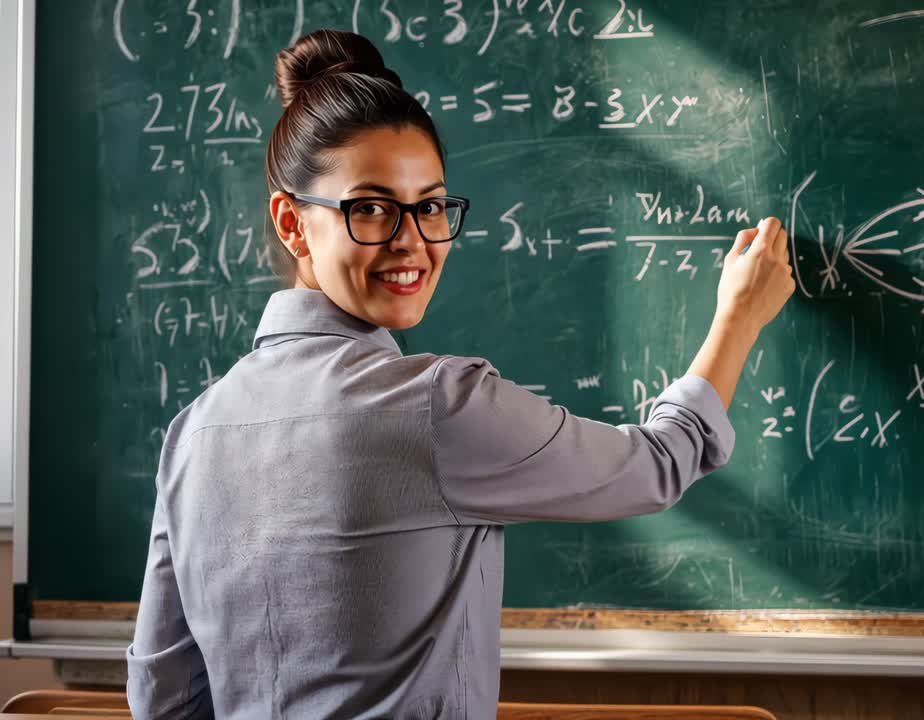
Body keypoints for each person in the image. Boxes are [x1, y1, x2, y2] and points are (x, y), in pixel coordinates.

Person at [126, 28, 794, 719]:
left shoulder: (192, 434)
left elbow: (161, 697)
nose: (411, 240)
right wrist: (739, 317)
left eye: (430, 206)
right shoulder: (433, 405)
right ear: (292, 225)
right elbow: (655, 464)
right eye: (371, 209)